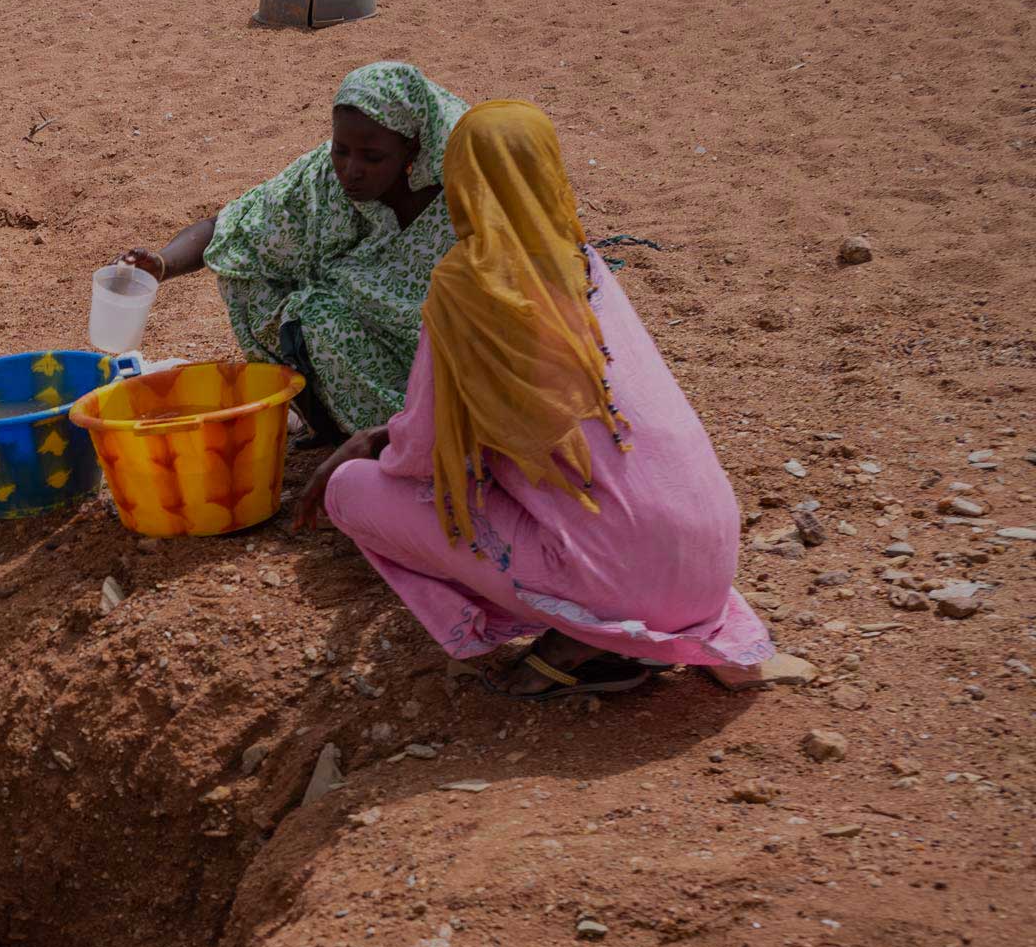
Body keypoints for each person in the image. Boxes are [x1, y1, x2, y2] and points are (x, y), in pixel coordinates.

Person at [294, 100, 773, 698]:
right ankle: (611, 624)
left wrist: (373, 446)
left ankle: (587, 632)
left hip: (620, 581)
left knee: (351, 491)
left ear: (459, 181)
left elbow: (422, 456)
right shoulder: (586, 263)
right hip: (707, 564)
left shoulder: (468, 286)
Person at [119, 61, 470, 444]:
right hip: (359, 338)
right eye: (341, 150)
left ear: (412, 147)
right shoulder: (322, 177)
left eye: (372, 158)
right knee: (259, 285)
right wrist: (162, 264)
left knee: (323, 317)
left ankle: (411, 436)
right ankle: (339, 428)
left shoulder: (458, 194)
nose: (350, 170)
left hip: (446, 369)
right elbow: (233, 226)